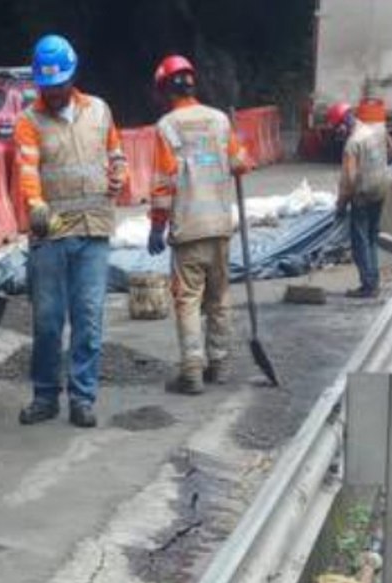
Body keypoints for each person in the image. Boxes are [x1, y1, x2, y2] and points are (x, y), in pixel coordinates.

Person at [14, 34, 127, 428]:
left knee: (89, 318)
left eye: (60, 83)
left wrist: (119, 174)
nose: (55, 92)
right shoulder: (29, 122)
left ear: (72, 76)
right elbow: (27, 169)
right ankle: (46, 395)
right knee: (47, 320)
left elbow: (116, 153)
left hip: (94, 230)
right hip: (52, 234)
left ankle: (82, 397)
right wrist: (35, 204)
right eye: (48, 86)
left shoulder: (98, 111)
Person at [146, 55, 250, 395]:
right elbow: (241, 164)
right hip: (220, 225)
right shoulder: (220, 121)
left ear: (164, 89)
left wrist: (156, 226)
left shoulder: (167, 127)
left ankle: (192, 370)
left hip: (188, 227)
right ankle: (218, 365)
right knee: (219, 296)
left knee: (188, 299)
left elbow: (163, 183)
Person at [330, 100, 392, 299]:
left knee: (360, 241)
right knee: (372, 237)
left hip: (362, 195)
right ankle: (374, 280)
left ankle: (368, 286)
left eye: (338, 128)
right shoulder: (377, 131)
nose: (338, 133)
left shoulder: (352, 144)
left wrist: (341, 204)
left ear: (344, 123)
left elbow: (349, 180)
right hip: (381, 190)